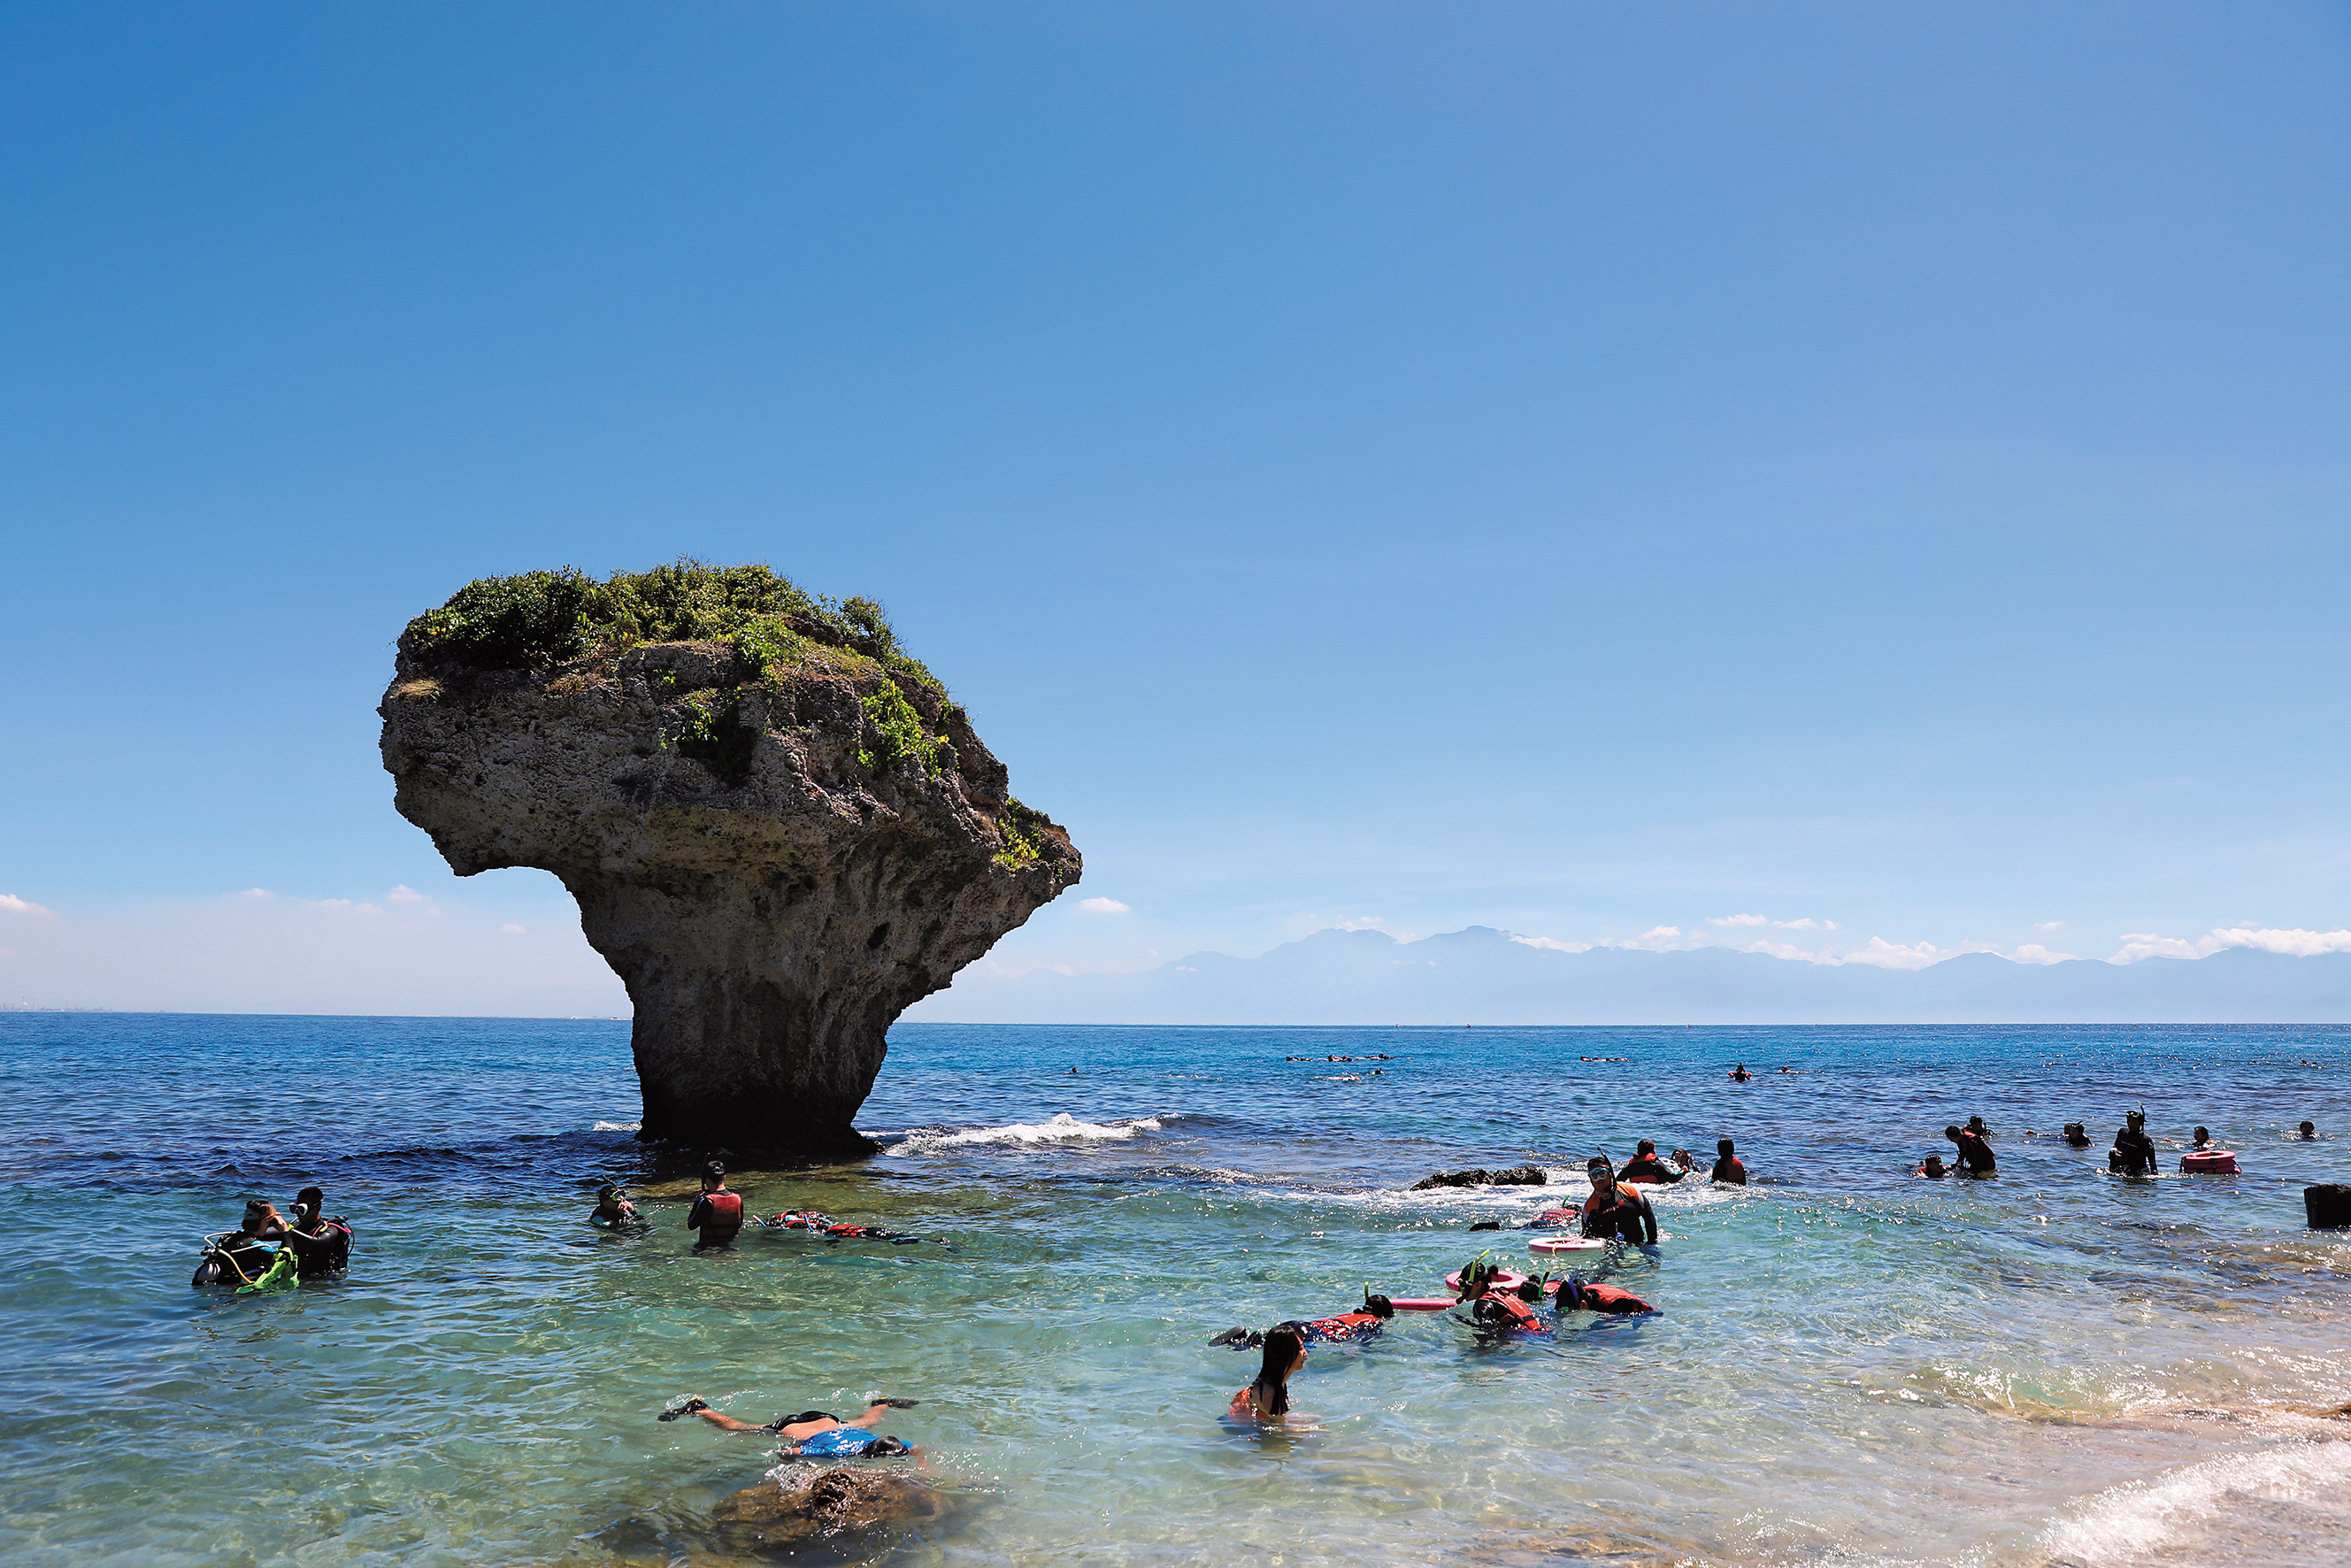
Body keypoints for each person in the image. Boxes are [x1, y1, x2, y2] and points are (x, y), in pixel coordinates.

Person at [662, 1395, 919, 1458]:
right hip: (790, 1427)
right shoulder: (840, 1452)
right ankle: (699, 1408)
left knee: (870, 1422)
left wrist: (923, 1463)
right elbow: (787, 1453)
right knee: (737, 1428)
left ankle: (882, 1402)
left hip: (831, 1421)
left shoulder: (879, 1442)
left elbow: (918, 1448)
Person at [1210, 1296, 1394, 1350]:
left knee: (1270, 1340)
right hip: (1314, 1333)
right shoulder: (1373, 1321)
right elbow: (1364, 1342)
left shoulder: (1351, 1314)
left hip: (1304, 1324)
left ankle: (1243, 1338)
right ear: (1382, 1314)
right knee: (1273, 1349)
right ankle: (1241, 1343)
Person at [1228, 1326, 1306, 1423]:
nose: (1305, 1353)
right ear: (1285, 1353)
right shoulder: (1270, 1394)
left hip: (1245, 1415)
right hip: (1243, 1427)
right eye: (1300, 1348)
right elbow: (1279, 1429)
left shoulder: (1273, 1382)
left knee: (1316, 1420)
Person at [1579, 1158, 1659, 1244]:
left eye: (1602, 1173)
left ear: (1610, 1174)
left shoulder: (1630, 1191)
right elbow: (1586, 1236)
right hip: (1609, 1250)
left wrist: (1651, 1243)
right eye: (1594, 1175)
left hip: (1637, 1246)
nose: (1599, 1179)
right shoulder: (1590, 1207)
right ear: (1590, 1179)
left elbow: (1648, 1215)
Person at [687, 1162, 744, 1246]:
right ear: (724, 1178)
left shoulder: (708, 1201)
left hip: (707, 1249)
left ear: (707, 1181)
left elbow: (691, 1225)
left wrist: (697, 1202)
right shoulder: (738, 1199)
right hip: (730, 1248)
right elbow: (739, 1224)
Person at [1552, 1272, 1657, 1316]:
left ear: (1583, 1305)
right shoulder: (1588, 1291)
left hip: (1648, 1315)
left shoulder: (1611, 1307)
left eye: (1567, 1310)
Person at [1618, 1140, 1694, 1185]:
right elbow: (1672, 1178)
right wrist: (1683, 1171)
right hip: (1657, 1190)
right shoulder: (1654, 1163)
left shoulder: (1631, 1165)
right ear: (1652, 1150)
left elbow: (1618, 1181)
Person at [2110, 1111, 2158, 1176]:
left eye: (2133, 1122)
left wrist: (2154, 1174)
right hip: (2123, 1165)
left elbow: (2152, 1161)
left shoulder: (2145, 1139)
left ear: (2140, 1123)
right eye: (2129, 1121)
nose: (2130, 1123)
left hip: (2137, 1169)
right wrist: (2116, 1153)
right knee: (2111, 1152)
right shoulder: (2122, 1132)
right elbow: (2115, 1146)